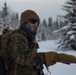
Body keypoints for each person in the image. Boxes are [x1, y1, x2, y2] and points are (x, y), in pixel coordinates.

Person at [7, 9, 76, 75]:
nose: (36, 24)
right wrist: (56, 57)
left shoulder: (29, 38)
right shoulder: (17, 38)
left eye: (37, 22)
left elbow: (32, 61)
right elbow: (24, 57)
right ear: (24, 22)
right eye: (32, 21)